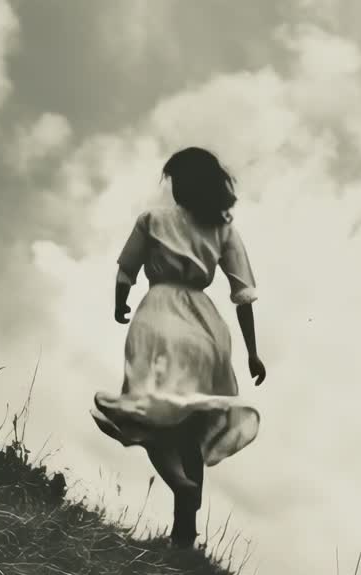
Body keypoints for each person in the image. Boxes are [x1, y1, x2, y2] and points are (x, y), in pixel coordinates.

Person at [91, 147, 266, 549]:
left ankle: (180, 484)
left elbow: (126, 270)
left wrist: (120, 302)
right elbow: (244, 294)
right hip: (206, 329)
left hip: (158, 317)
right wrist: (252, 352)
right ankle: (185, 534)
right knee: (193, 422)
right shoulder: (224, 230)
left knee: (147, 415)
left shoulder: (152, 220)